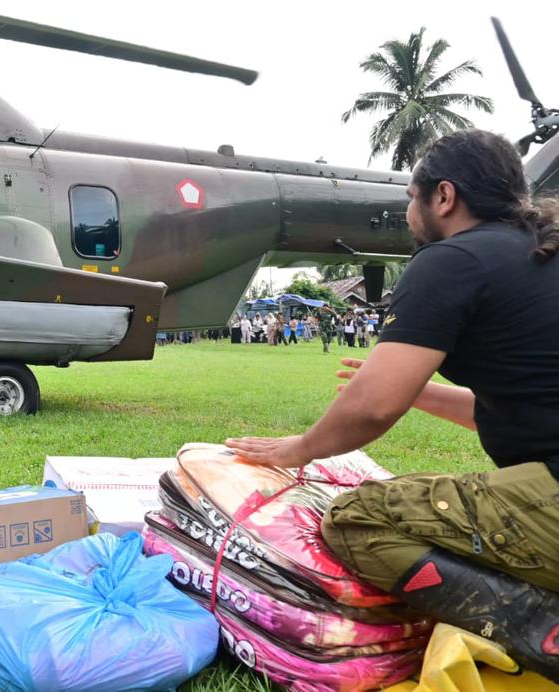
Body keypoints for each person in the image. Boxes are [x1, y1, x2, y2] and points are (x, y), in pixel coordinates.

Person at [227, 130, 559, 681]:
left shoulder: (453, 259)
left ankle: (536, 623)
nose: (407, 211)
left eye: (411, 196)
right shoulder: (538, 253)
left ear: (444, 197)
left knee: (358, 520)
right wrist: (420, 392)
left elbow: (372, 408)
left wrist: (298, 449)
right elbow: (520, 405)